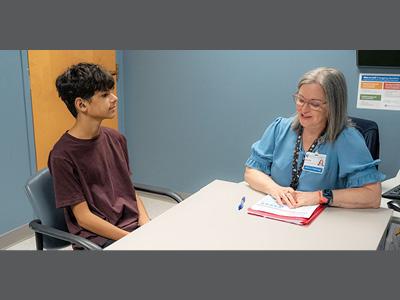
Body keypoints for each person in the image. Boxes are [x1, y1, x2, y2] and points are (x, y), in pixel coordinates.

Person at [244, 67, 385, 209]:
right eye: (300, 100)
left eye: (314, 104)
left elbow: (372, 196)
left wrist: (319, 196)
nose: (304, 110)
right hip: (278, 212)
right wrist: (276, 190)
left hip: (324, 222)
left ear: (333, 106)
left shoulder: (347, 139)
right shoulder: (280, 128)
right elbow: (251, 171)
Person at [48, 62, 150, 249]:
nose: (114, 98)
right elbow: (84, 218)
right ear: (82, 105)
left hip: (131, 229)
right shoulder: (62, 156)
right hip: (97, 239)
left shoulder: (116, 139)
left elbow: (129, 190)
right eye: (104, 95)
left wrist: (146, 223)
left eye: (111, 92)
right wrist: (129, 238)